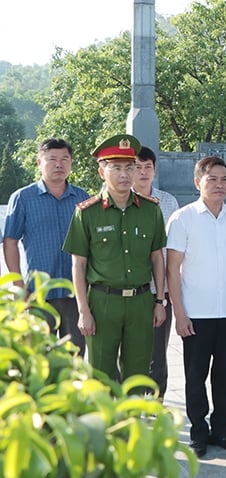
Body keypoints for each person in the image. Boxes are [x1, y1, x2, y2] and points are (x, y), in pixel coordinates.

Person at [165, 156, 226, 457]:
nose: (219, 185)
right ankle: (198, 432)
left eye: (224, 179)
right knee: (195, 377)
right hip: (196, 315)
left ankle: (223, 433)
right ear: (198, 182)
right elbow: (171, 269)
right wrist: (179, 312)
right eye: (212, 178)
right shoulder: (183, 218)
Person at [63, 134, 166, 383]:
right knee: (100, 372)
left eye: (129, 168)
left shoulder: (151, 210)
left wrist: (160, 300)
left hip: (141, 301)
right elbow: (78, 265)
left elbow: (157, 259)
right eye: (116, 168)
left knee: (138, 371)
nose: (124, 174)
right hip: (102, 302)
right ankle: (105, 422)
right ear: (102, 172)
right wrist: (83, 310)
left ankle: (131, 421)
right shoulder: (87, 212)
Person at [3, 138, 89, 354]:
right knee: (40, 355)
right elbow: (10, 241)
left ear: (71, 163)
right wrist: (18, 284)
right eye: (51, 159)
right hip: (38, 293)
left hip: (76, 294)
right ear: (39, 162)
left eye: (64, 159)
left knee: (74, 356)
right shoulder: (23, 198)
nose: (59, 164)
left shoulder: (83, 198)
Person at [133, 146, 180, 399]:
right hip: (129, 289)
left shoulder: (168, 202)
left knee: (158, 353)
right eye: (137, 167)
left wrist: (166, 295)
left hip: (159, 290)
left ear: (154, 170)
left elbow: (173, 250)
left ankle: (156, 401)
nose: (142, 172)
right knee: (130, 351)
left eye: (147, 167)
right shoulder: (119, 199)